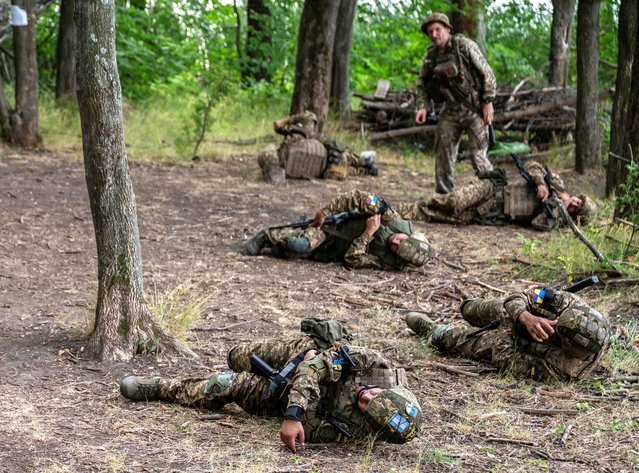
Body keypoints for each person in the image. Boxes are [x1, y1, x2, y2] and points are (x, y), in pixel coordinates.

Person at [119, 318, 423, 452]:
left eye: (367, 407)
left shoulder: (358, 431)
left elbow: (314, 427)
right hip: (302, 357)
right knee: (237, 356)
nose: (365, 396)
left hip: (282, 394)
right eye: (374, 393)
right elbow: (317, 364)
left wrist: (295, 408)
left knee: (225, 383)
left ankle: (159, 388)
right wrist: (295, 414)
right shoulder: (375, 365)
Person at [405, 285, 610, 381]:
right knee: (470, 308)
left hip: (518, 345)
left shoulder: (566, 369)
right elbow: (524, 295)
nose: (552, 325)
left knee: (473, 343)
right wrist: (524, 316)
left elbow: (510, 362)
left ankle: (436, 332)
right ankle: (469, 308)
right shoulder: (570, 304)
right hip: (524, 316)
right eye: (555, 321)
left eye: (556, 328)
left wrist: (506, 333)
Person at [245, 189, 433, 271]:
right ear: (408, 233)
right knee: (300, 245)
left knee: (293, 251)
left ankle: (281, 248)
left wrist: (368, 234)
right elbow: (357, 196)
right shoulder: (388, 214)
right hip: (332, 228)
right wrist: (325, 211)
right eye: (400, 240)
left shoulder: (389, 261)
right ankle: (266, 235)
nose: (394, 242)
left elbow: (352, 259)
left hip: (334, 250)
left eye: (397, 248)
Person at [415, 12, 497, 194]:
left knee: (479, 157)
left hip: (474, 109)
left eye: (438, 30)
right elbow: (422, 83)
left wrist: (488, 101)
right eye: (430, 32)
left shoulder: (465, 46)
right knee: (443, 152)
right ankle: (445, 196)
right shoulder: (431, 57)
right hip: (451, 110)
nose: (434, 34)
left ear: (448, 30)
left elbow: (488, 74)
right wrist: (422, 106)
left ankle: (493, 195)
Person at [397, 160, 596, 231]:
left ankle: (405, 212)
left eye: (577, 208)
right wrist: (541, 184)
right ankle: (418, 203)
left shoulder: (555, 219)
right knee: (454, 202)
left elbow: (538, 223)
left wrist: (556, 208)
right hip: (493, 189)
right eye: (579, 200)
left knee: (445, 217)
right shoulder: (555, 182)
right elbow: (532, 165)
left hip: (492, 212)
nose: (575, 202)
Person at [258, 111, 378, 183]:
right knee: (346, 156)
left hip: (331, 171)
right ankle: (364, 162)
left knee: (353, 170)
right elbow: (310, 116)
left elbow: (276, 181)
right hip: (333, 155)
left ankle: (366, 170)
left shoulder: (285, 171)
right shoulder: (293, 140)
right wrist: (285, 121)